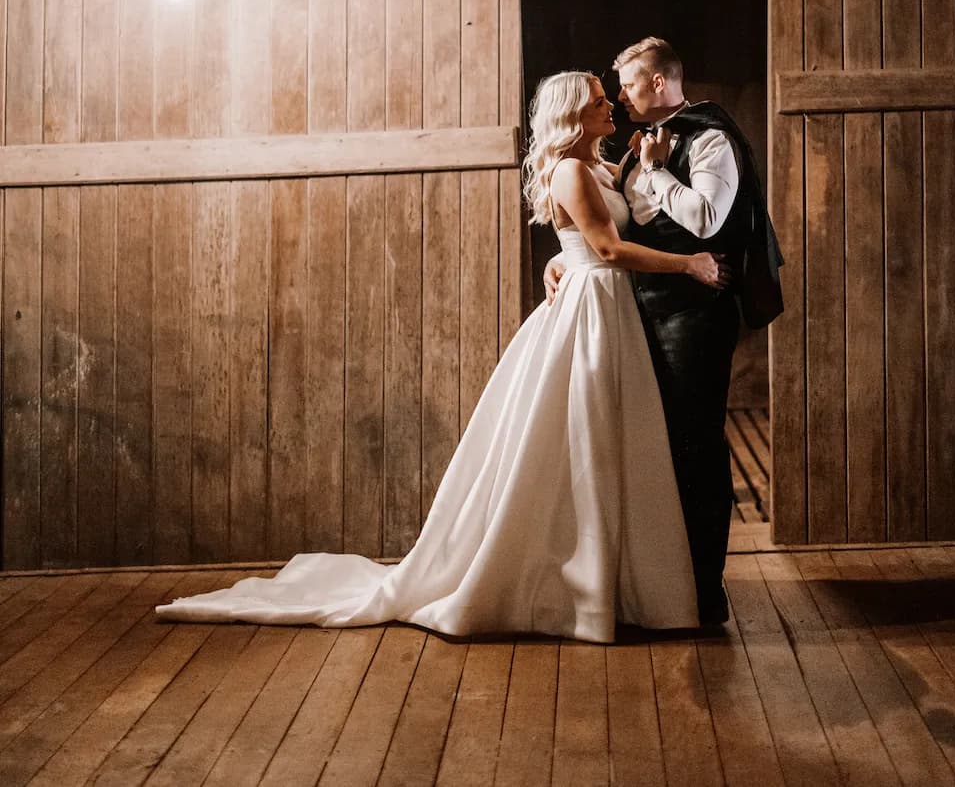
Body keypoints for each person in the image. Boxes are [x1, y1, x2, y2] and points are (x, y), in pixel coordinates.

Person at [157, 71, 726, 643]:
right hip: (589, 312)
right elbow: (603, 247)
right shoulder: (572, 171)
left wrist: (569, 248)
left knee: (606, 440)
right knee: (580, 439)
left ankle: (617, 586)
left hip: (610, 306)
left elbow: (583, 241)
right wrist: (688, 264)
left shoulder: (603, 166)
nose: (612, 107)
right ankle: (575, 588)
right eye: (601, 102)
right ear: (574, 115)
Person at [545, 37, 783, 627]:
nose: (620, 99)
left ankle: (703, 591)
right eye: (609, 94)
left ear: (656, 83)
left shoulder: (709, 138)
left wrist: (654, 174)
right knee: (652, 446)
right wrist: (566, 258)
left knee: (695, 446)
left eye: (624, 87)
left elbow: (705, 219)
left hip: (693, 315)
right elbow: (603, 232)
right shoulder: (625, 154)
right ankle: (651, 586)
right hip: (635, 312)